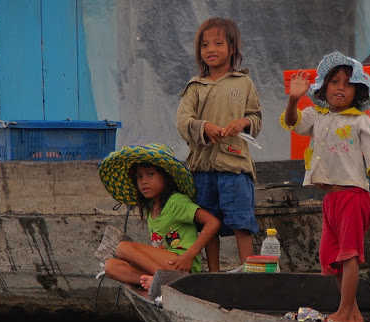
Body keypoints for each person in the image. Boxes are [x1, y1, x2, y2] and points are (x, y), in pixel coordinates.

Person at [280, 52, 370, 322]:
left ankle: (344, 312)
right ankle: (353, 313)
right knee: (332, 257)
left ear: (357, 91)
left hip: (353, 197)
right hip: (330, 200)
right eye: (334, 82)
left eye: (347, 83)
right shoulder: (316, 116)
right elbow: (293, 122)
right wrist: (294, 98)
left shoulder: (360, 121)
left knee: (350, 255)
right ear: (324, 88)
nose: (340, 87)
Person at [176, 17, 262, 272]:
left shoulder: (243, 83)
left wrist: (243, 122)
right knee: (207, 221)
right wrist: (204, 127)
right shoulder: (195, 87)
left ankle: (247, 271)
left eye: (218, 43)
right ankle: (213, 273)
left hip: (235, 166)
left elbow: (256, 117)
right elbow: (183, 121)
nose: (210, 49)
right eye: (205, 45)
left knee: (241, 220)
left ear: (232, 48)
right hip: (202, 169)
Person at [98, 143, 220, 290]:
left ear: (166, 177)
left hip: (181, 265)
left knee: (123, 248)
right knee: (110, 266)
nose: (144, 181)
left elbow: (213, 222)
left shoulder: (176, 201)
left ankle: (163, 281)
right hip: (163, 265)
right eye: (139, 176)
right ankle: (158, 280)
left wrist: (189, 256)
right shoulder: (150, 207)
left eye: (150, 174)